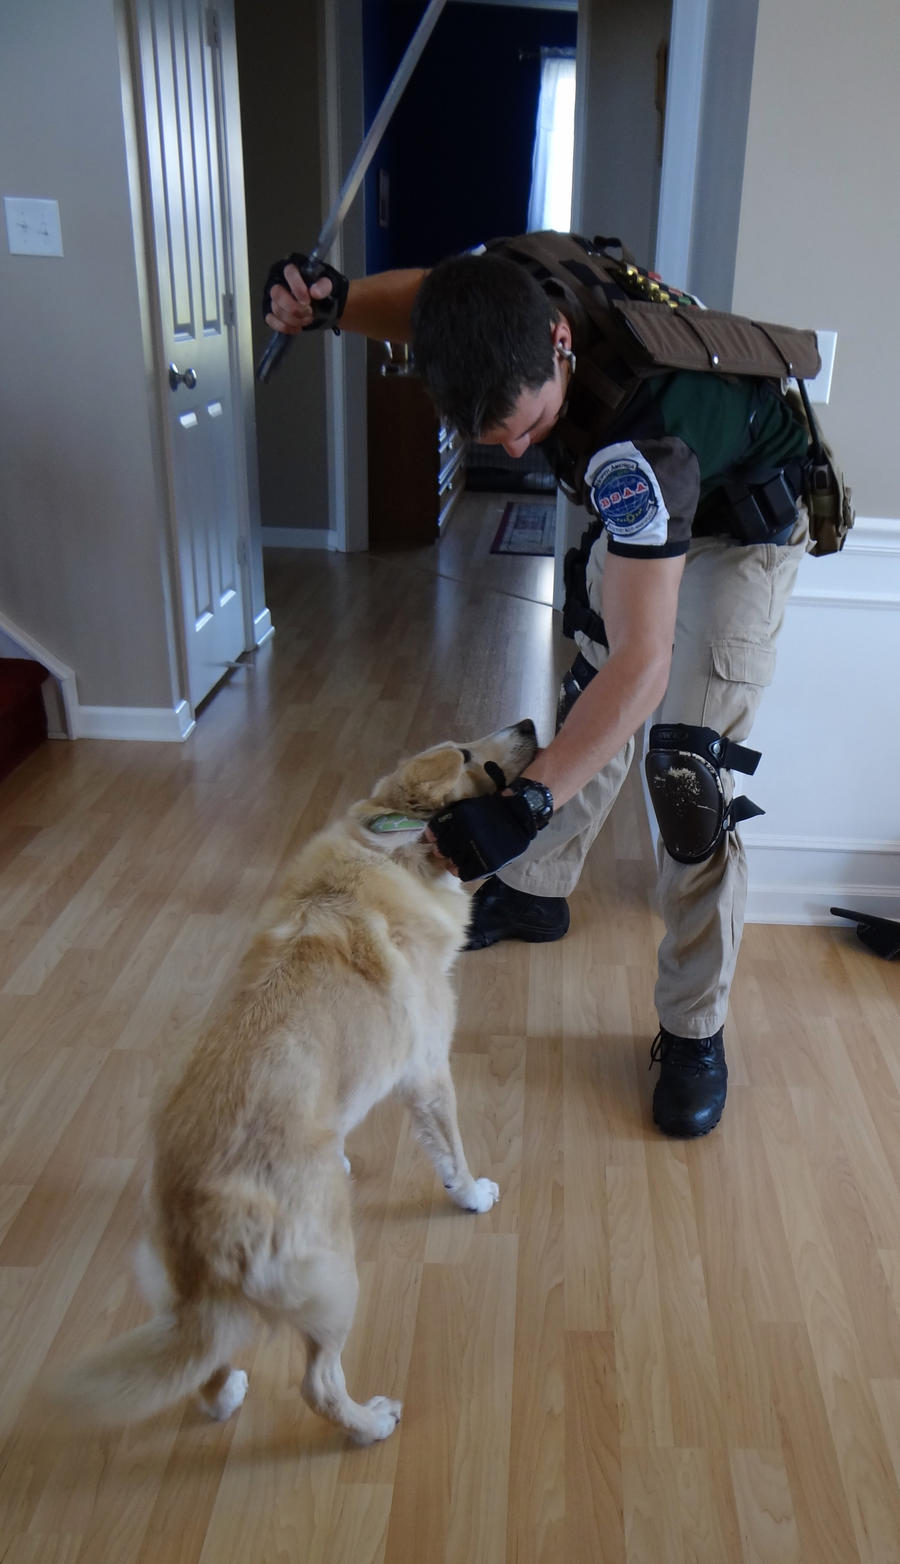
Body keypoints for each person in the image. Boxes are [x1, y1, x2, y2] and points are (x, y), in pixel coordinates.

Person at [264, 233, 816, 1139]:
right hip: (649, 519)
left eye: (529, 425)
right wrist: (334, 301)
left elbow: (650, 665)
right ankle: (538, 888)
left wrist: (521, 803)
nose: (519, 449)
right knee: (586, 695)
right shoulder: (498, 293)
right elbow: (430, 300)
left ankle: (693, 1030)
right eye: (496, 440)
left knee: (687, 780)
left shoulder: (638, 441)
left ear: (559, 341)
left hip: (736, 527)